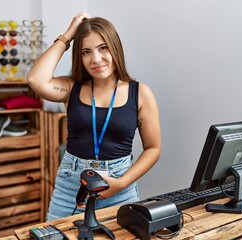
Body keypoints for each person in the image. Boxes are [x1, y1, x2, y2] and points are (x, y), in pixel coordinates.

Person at [27, 12, 161, 221]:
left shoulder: (141, 93)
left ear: (115, 48)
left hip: (120, 186)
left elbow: (153, 148)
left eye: (103, 48)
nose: (96, 59)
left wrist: (122, 183)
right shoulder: (71, 88)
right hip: (71, 187)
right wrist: (68, 35)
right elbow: (36, 79)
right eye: (86, 52)